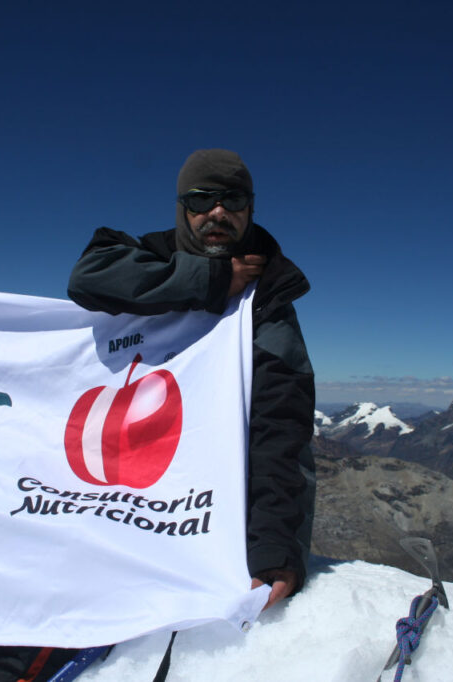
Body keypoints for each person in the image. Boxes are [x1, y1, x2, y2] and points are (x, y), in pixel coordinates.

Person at [67, 149, 315, 608]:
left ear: (251, 209)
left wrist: (276, 546)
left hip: (197, 515)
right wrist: (213, 279)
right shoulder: (146, 253)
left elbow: (280, 426)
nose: (217, 212)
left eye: (233, 199)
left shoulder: (269, 294)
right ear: (182, 208)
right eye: (202, 200)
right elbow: (88, 277)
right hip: (105, 496)